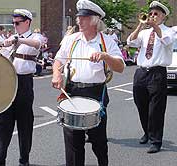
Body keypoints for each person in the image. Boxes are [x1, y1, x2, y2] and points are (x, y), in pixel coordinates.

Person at [51, 0, 125, 165]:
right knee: (72, 142)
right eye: (78, 17)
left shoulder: (106, 41)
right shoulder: (72, 39)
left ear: (94, 20)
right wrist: (56, 74)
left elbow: (120, 67)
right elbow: (58, 60)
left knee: (98, 141)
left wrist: (105, 56)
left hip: (95, 93)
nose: (78, 20)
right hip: (72, 91)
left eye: (83, 17)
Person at [0, 9, 43, 166]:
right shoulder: (10, 38)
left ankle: (24, 161)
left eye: (17, 23)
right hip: (7, 83)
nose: (14, 26)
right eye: (13, 23)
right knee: (2, 126)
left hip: (24, 83)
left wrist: (19, 40)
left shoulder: (35, 37)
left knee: (25, 125)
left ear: (27, 22)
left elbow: (37, 44)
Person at [127, 1, 175, 154]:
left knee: (156, 109)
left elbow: (166, 41)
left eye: (156, 14)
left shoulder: (170, 30)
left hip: (157, 72)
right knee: (141, 105)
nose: (152, 16)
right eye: (151, 13)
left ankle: (156, 140)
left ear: (163, 17)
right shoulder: (144, 32)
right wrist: (140, 25)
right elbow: (130, 42)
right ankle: (147, 132)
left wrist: (155, 27)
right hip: (141, 72)